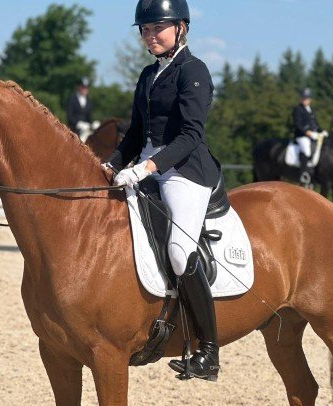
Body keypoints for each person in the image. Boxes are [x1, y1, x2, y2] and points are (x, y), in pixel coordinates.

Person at [103, 0, 221, 383]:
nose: (149, 36)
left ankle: (208, 351)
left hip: (185, 171)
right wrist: (111, 164)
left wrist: (147, 167)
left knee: (178, 249)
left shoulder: (194, 71)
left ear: (181, 28)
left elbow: (191, 136)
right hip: (145, 169)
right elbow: (136, 133)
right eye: (145, 30)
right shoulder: (147, 75)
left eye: (157, 28)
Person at [292, 88, 321, 185]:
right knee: (306, 150)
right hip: (302, 136)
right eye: (304, 98)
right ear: (301, 98)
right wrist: (307, 133)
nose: (305, 100)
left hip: (312, 135)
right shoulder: (298, 109)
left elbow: (315, 124)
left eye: (307, 98)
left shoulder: (310, 110)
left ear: (310, 99)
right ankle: (303, 174)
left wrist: (322, 131)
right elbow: (298, 124)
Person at [67, 77, 98, 141]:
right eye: (83, 87)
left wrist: (93, 124)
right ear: (79, 87)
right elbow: (70, 116)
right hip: (74, 130)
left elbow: (89, 117)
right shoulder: (72, 99)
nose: (85, 89)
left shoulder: (89, 102)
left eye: (86, 87)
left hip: (86, 130)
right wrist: (79, 124)